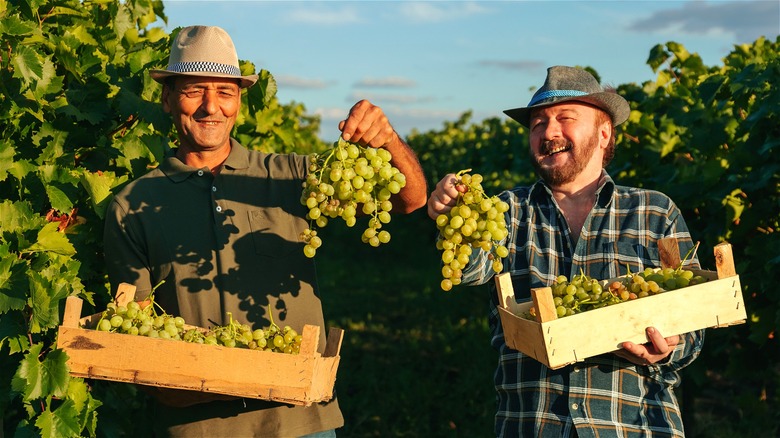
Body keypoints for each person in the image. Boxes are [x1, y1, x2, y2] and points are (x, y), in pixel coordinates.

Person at [103, 25, 427, 437]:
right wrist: (229, 376)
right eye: (193, 90)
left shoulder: (294, 179)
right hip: (196, 430)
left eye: (224, 92)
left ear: (239, 100)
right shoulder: (132, 205)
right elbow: (137, 336)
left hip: (302, 423)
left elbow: (410, 200)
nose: (210, 107)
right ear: (167, 99)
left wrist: (388, 140)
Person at [427, 66, 704, 437]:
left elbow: (697, 322)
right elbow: (469, 271)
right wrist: (453, 216)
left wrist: (667, 348)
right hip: (532, 425)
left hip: (632, 426)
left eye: (565, 118)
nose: (549, 132)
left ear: (604, 133)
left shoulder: (655, 213)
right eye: (538, 123)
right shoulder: (505, 212)